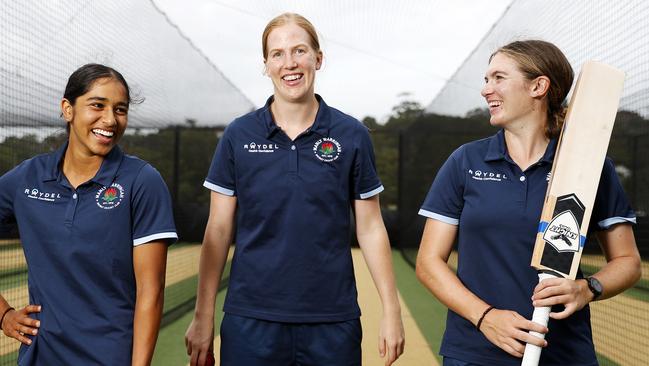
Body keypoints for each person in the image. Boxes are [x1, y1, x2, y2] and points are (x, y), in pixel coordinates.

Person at [185, 12, 405, 366]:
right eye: (278, 53)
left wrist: (391, 310)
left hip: (333, 319)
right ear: (266, 65)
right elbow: (219, 228)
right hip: (250, 320)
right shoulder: (238, 136)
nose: (290, 63)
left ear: (318, 59)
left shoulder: (352, 135)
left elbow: (370, 226)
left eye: (299, 51)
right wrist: (203, 314)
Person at [415, 40, 641, 366]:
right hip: (474, 352)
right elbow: (428, 262)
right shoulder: (465, 161)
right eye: (486, 79)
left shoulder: (590, 167)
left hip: (564, 354)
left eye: (498, 78)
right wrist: (486, 317)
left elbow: (628, 261)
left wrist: (587, 288)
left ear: (538, 86)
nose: (485, 89)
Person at [0, 64, 177, 365]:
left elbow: (151, 292)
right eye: (97, 105)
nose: (109, 119)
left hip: (110, 357)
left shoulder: (142, 181)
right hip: (40, 356)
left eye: (120, 110)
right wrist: (4, 315)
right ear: (67, 109)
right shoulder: (28, 178)